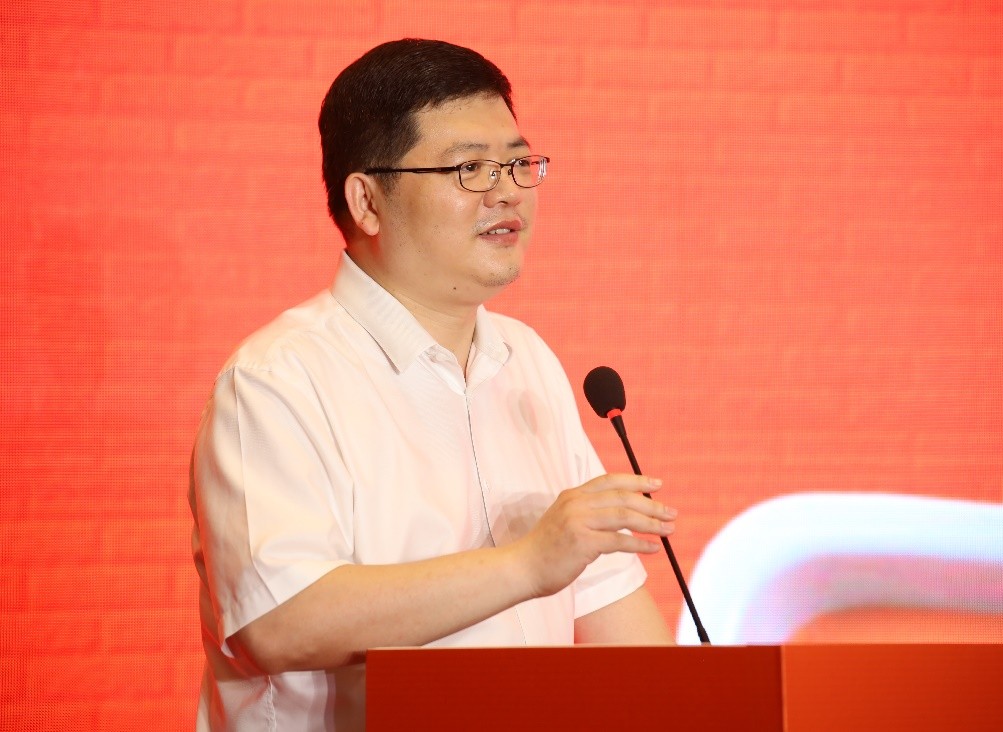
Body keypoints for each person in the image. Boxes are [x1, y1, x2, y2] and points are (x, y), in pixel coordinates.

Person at [189, 38, 676, 731]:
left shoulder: (528, 361)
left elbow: (610, 611)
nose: (507, 191)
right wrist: (528, 564)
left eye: (517, 163)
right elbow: (280, 621)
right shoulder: (276, 380)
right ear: (367, 200)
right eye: (469, 168)